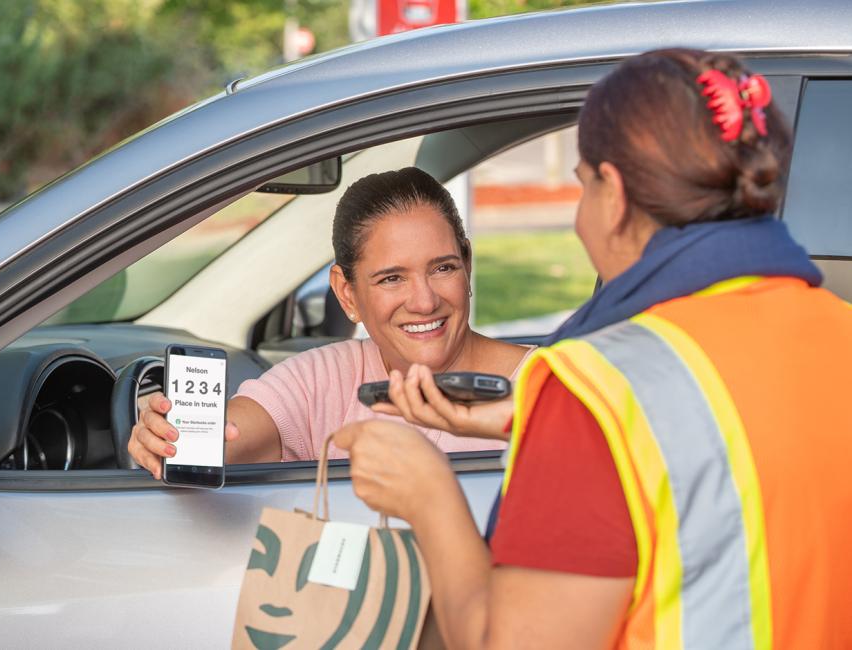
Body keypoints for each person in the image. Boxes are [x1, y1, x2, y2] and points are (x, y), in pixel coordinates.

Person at [335, 48, 852, 648]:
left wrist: (429, 495)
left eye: (582, 188)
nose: (581, 221)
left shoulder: (600, 391)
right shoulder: (836, 330)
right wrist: (537, 422)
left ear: (615, 191)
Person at [127, 167, 530, 479]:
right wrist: (169, 438)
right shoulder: (326, 378)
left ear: (468, 266)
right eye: (392, 278)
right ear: (347, 293)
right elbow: (229, 437)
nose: (424, 301)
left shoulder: (553, 383)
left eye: (442, 268)